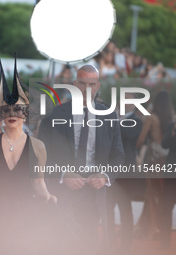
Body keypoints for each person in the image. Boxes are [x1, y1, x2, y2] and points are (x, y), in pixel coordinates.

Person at [0, 56, 90, 255]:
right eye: (7, 109)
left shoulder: (38, 146)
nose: (12, 113)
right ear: (1, 113)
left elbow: (38, 181)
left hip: (25, 210)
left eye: (18, 109)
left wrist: (46, 194)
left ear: (25, 113)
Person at [38, 64, 124, 253]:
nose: (87, 89)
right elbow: (39, 153)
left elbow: (118, 156)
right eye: (83, 83)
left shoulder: (110, 116)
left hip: (94, 193)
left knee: (88, 243)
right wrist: (62, 174)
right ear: (75, 84)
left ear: (98, 86)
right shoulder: (54, 114)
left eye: (92, 84)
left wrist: (104, 175)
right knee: (58, 242)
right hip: (60, 191)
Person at [135, 90, 174, 240]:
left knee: (151, 195)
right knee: (160, 195)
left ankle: (152, 229)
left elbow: (141, 139)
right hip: (167, 160)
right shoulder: (172, 118)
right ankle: (152, 227)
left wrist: (135, 149)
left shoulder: (152, 118)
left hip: (153, 160)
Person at [106, 93, 143, 255]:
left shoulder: (137, 121)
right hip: (109, 172)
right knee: (107, 209)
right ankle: (108, 243)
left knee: (125, 210)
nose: (125, 103)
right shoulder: (110, 118)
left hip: (127, 173)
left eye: (129, 100)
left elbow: (130, 135)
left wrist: (116, 119)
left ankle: (126, 245)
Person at [159, 115, 176, 249]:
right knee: (166, 207)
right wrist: (174, 130)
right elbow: (164, 143)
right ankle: (165, 241)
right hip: (172, 172)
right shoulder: (172, 126)